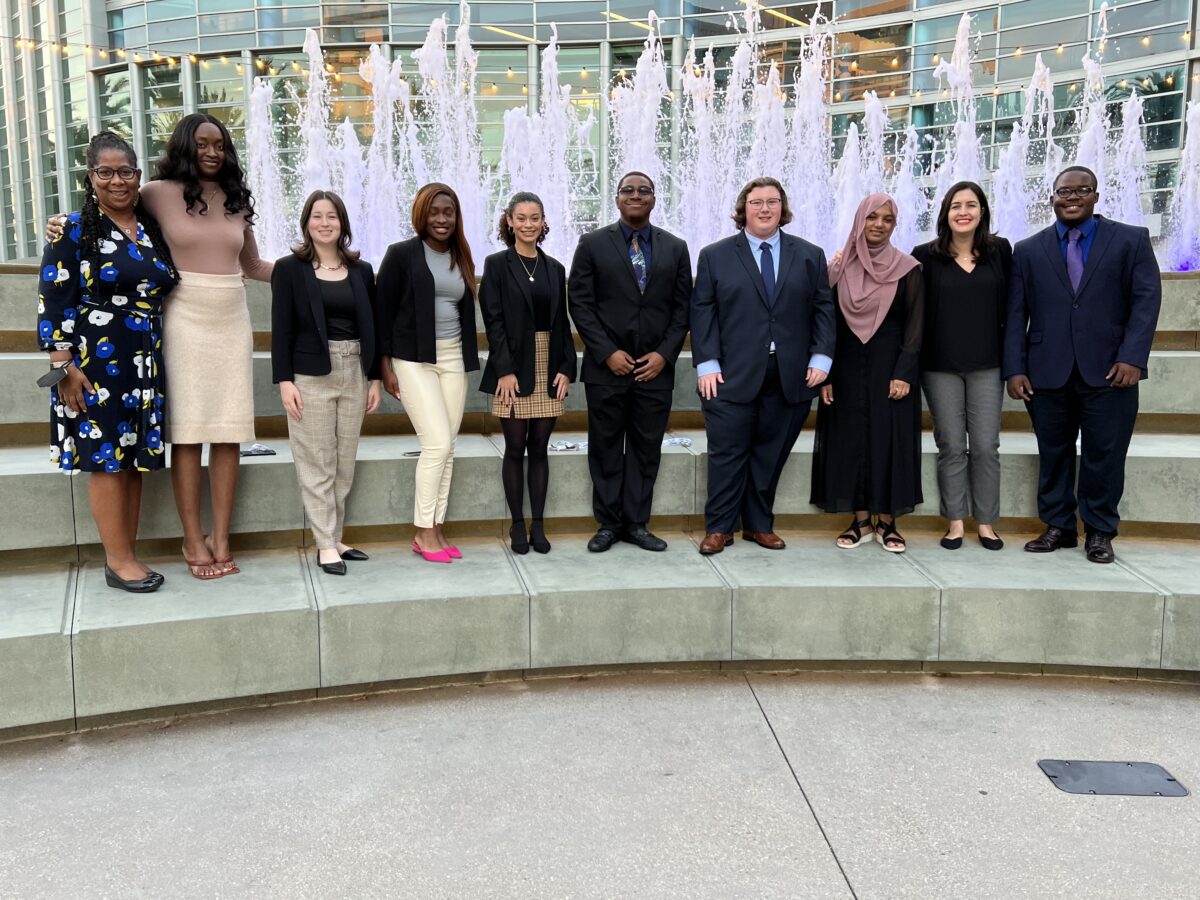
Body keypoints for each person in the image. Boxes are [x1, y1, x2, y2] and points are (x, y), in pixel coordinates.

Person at [49, 113, 273, 580]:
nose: (212, 152)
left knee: (219, 434)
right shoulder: (154, 192)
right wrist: (61, 224)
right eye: (202, 144)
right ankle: (175, 544)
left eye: (220, 144)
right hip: (156, 331)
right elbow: (73, 262)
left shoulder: (227, 201)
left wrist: (316, 264)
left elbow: (252, 263)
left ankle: (218, 538)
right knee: (177, 437)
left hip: (198, 330)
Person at [37, 132, 179, 592]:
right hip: (93, 364)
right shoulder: (73, 229)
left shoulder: (149, 227)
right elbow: (53, 300)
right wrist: (64, 369)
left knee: (133, 459)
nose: (117, 180)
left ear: (139, 175)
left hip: (144, 363)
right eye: (106, 172)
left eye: (126, 171)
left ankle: (127, 554)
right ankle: (118, 562)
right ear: (90, 176)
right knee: (105, 461)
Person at [1003, 165, 1161, 564]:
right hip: (1046, 371)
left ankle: (1099, 531)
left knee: (1104, 455)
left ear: (1095, 196)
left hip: (1110, 372)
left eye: (1081, 191)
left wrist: (1132, 357)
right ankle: (1058, 525)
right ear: (1052, 197)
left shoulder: (1130, 240)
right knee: (1053, 452)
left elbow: (1146, 302)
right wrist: (1015, 368)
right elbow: (1015, 313)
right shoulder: (1028, 249)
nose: (1072, 197)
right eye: (1063, 192)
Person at [690, 176, 835, 555]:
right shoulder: (715, 255)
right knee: (727, 454)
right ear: (744, 209)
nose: (765, 208)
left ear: (782, 209)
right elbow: (702, 312)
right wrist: (706, 363)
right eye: (757, 202)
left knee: (770, 454)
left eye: (773, 201)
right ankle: (719, 527)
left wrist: (822, 358)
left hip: (791, 375)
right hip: (729, 375)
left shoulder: (809, 255)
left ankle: (758, 525)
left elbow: (823, 309)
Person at [568, 171, 692, 553]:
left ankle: (637, 523)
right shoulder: (591, 244)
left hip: (654, 370)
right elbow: (580, 304)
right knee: (605, 446)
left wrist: (663, 354)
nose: (636, 195)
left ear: (654, 199)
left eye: (644, 191)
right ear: (617, 198)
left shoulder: (675, 247)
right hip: (607, 369)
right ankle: (608, 524)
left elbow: (682, 308)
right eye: (628, 190)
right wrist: (606, 353)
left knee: (645, 448)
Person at [271, 191, 380, 576]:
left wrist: (375, 378)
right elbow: (281, 329)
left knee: (343, 462)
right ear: (306, 223)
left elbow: (373, 327)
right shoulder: (288, 270)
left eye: (331, 216)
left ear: (342, 223)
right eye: (316, 216)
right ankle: (324, 544)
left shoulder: (362, 271)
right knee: (316, 461)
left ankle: (335, 536)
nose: (324, 223)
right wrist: (285, 381)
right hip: (311, 375)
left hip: (355, 371)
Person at [811, 193, 924, 552]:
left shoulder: (908, 268)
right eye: (871, 217)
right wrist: (825, 374)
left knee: (890, 439)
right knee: (851, 440)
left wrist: (904, 372)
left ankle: (888, 521)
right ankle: (860, 520)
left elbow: (916, 326)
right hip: (844, 368)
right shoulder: (838, 269)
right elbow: (825, 323)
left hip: (891, 369)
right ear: (859, 221)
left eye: (887, 219)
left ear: (894, 225)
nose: (878, 224)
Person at [376, 183, 479, 564]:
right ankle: (422, 531)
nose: (441, 219)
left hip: (453, 358)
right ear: (422, 214)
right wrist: (384, 367)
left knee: (448, 446)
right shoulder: (402, 254)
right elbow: (381, 311)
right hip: (413, 359)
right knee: (435, 442)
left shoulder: (460, 255)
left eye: (448, 212)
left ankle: (436, 527)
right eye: (434, 212)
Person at [912, 182, 1012, 551]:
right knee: (951, 444)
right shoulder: (925, 256)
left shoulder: (1000, 251)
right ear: (946, 213)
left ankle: (985, 523)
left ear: (982, 211)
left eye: (971, 205)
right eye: (956, 205)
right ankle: (955, 522)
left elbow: (1012, 308)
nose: (963, 211)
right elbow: (912, 311)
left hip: (987, 364)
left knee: (986, 445)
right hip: (939, 366)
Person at [478, 192, 576, 554]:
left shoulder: (554, 268)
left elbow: (561, 324)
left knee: (540, 448)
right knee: (515, 447)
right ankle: (517, 524)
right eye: (521, 218)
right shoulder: (497, 265)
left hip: (548, 363)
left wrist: (567, 367)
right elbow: (494, 320)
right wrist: (503, 369)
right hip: (514, 367)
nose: (528, 224)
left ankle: (538, 524)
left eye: (535, 218)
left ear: (543, 221)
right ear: (509, 221)